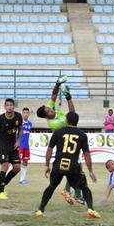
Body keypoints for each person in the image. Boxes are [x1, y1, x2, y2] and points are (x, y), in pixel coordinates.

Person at [35, 111, 100, 218]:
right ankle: (91, 209)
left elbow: (49, 149)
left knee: (51, 187)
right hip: (73, 166)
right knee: (84, 187)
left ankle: (40, 210)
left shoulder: (58, 132)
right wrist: (90, 171)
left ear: (66, 120)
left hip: (58, 164)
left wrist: (47, 165)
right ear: (77, 121)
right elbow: (86, 154)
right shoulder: (82, 135)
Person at [36, 75, 83, 204]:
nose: (50, 108)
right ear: (46, 116)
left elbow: (53, 95)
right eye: (48, 110)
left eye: (49, 107)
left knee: (76, 168)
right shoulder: (55, 123)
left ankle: (71, 192)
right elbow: (72, 114)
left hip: (69, 143)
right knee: (76, 168)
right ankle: (74, 193)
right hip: (65, 146)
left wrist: (57, 84)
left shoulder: (51, 111)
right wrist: (68, 97)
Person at [0, 98, 23, 200]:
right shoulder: (0, 119)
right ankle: (1, 192)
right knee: (5, 165)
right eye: (7, 105)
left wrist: (18, 141)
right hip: (2, 145)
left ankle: (3, 183)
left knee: (17, 168)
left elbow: (20, 129)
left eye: (11, 105)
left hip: (13, 145)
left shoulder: (18, 116)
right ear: (5, 107)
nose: (9, 107)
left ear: (13, 106)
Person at [18, 107, 32, 184]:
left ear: (29, 114)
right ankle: (6, 176)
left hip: (26, 146)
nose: (26, 114)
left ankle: (22, 179)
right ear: (22, 114)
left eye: (27, 112)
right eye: (24, 112)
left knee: (25, 162)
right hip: (20, 146)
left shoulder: (30, 124)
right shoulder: (19, 123)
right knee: (16, 163)